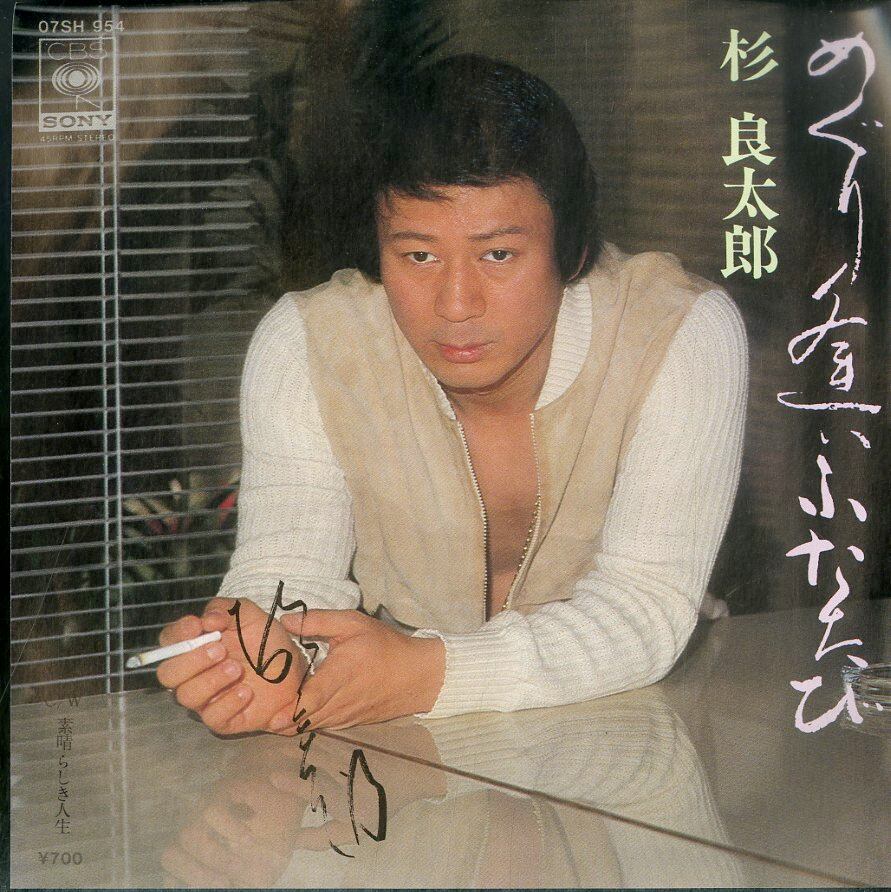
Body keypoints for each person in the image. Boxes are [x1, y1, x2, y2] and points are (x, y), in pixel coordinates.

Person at [156, 54, 748, 734]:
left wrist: (431, 672)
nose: (456, 304)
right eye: (418, 255)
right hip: (404, 739)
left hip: (641, 720)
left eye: (498, 255)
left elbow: (643, 605)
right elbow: (289, 575)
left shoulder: (677, 331)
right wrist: (255, 656)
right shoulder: (310, 344)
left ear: (574, 247)